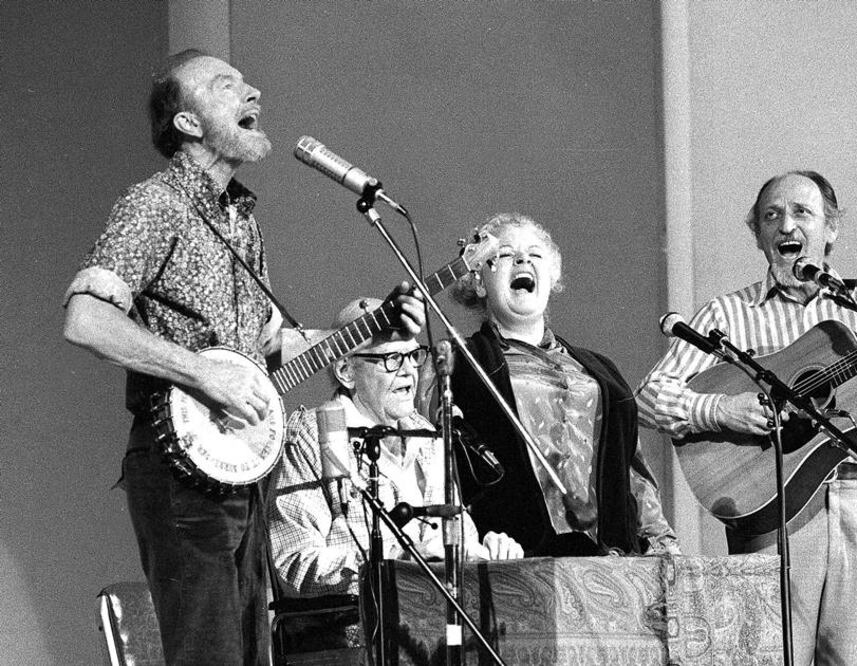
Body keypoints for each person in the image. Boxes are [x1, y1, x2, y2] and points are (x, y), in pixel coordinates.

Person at [61, 50, 424, 665]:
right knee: (210, 654)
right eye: (227, 85)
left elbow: (269, 347)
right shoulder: (155, 204)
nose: (252, 90)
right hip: (178, 467)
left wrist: (378, 328)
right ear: (189, 123)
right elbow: (86, 319)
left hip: (242, 468)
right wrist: (200, 371)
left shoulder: (242, 221)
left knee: (253, 652)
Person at [635, 170, 857, 665]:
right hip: (771, 511)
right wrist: (721, 409)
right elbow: (649, 396)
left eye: (802, 213)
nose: (786, 225)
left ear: (832, 229)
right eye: (772, 215)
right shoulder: (726, 315)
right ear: (757, 233)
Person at [267, 298, 523, 649]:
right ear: (345, 370)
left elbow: (456, 540)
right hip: (353, 637)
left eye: (413, 355)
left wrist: (486, 555)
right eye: (391, 358)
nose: (408, 372)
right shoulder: (313, 436)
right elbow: (293, 564)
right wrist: (390, 566)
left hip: (434, 632)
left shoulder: (430, 435)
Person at [448, 213, 680, 557]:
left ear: (552, 276)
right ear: (480, 282)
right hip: (515, 561)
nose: (523, 259)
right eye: (506, 254)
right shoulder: (459, 362)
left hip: (608, 563)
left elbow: (632, 472)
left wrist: (662, 543)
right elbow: (436, 465)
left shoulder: (602, 372)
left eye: (535, 254)